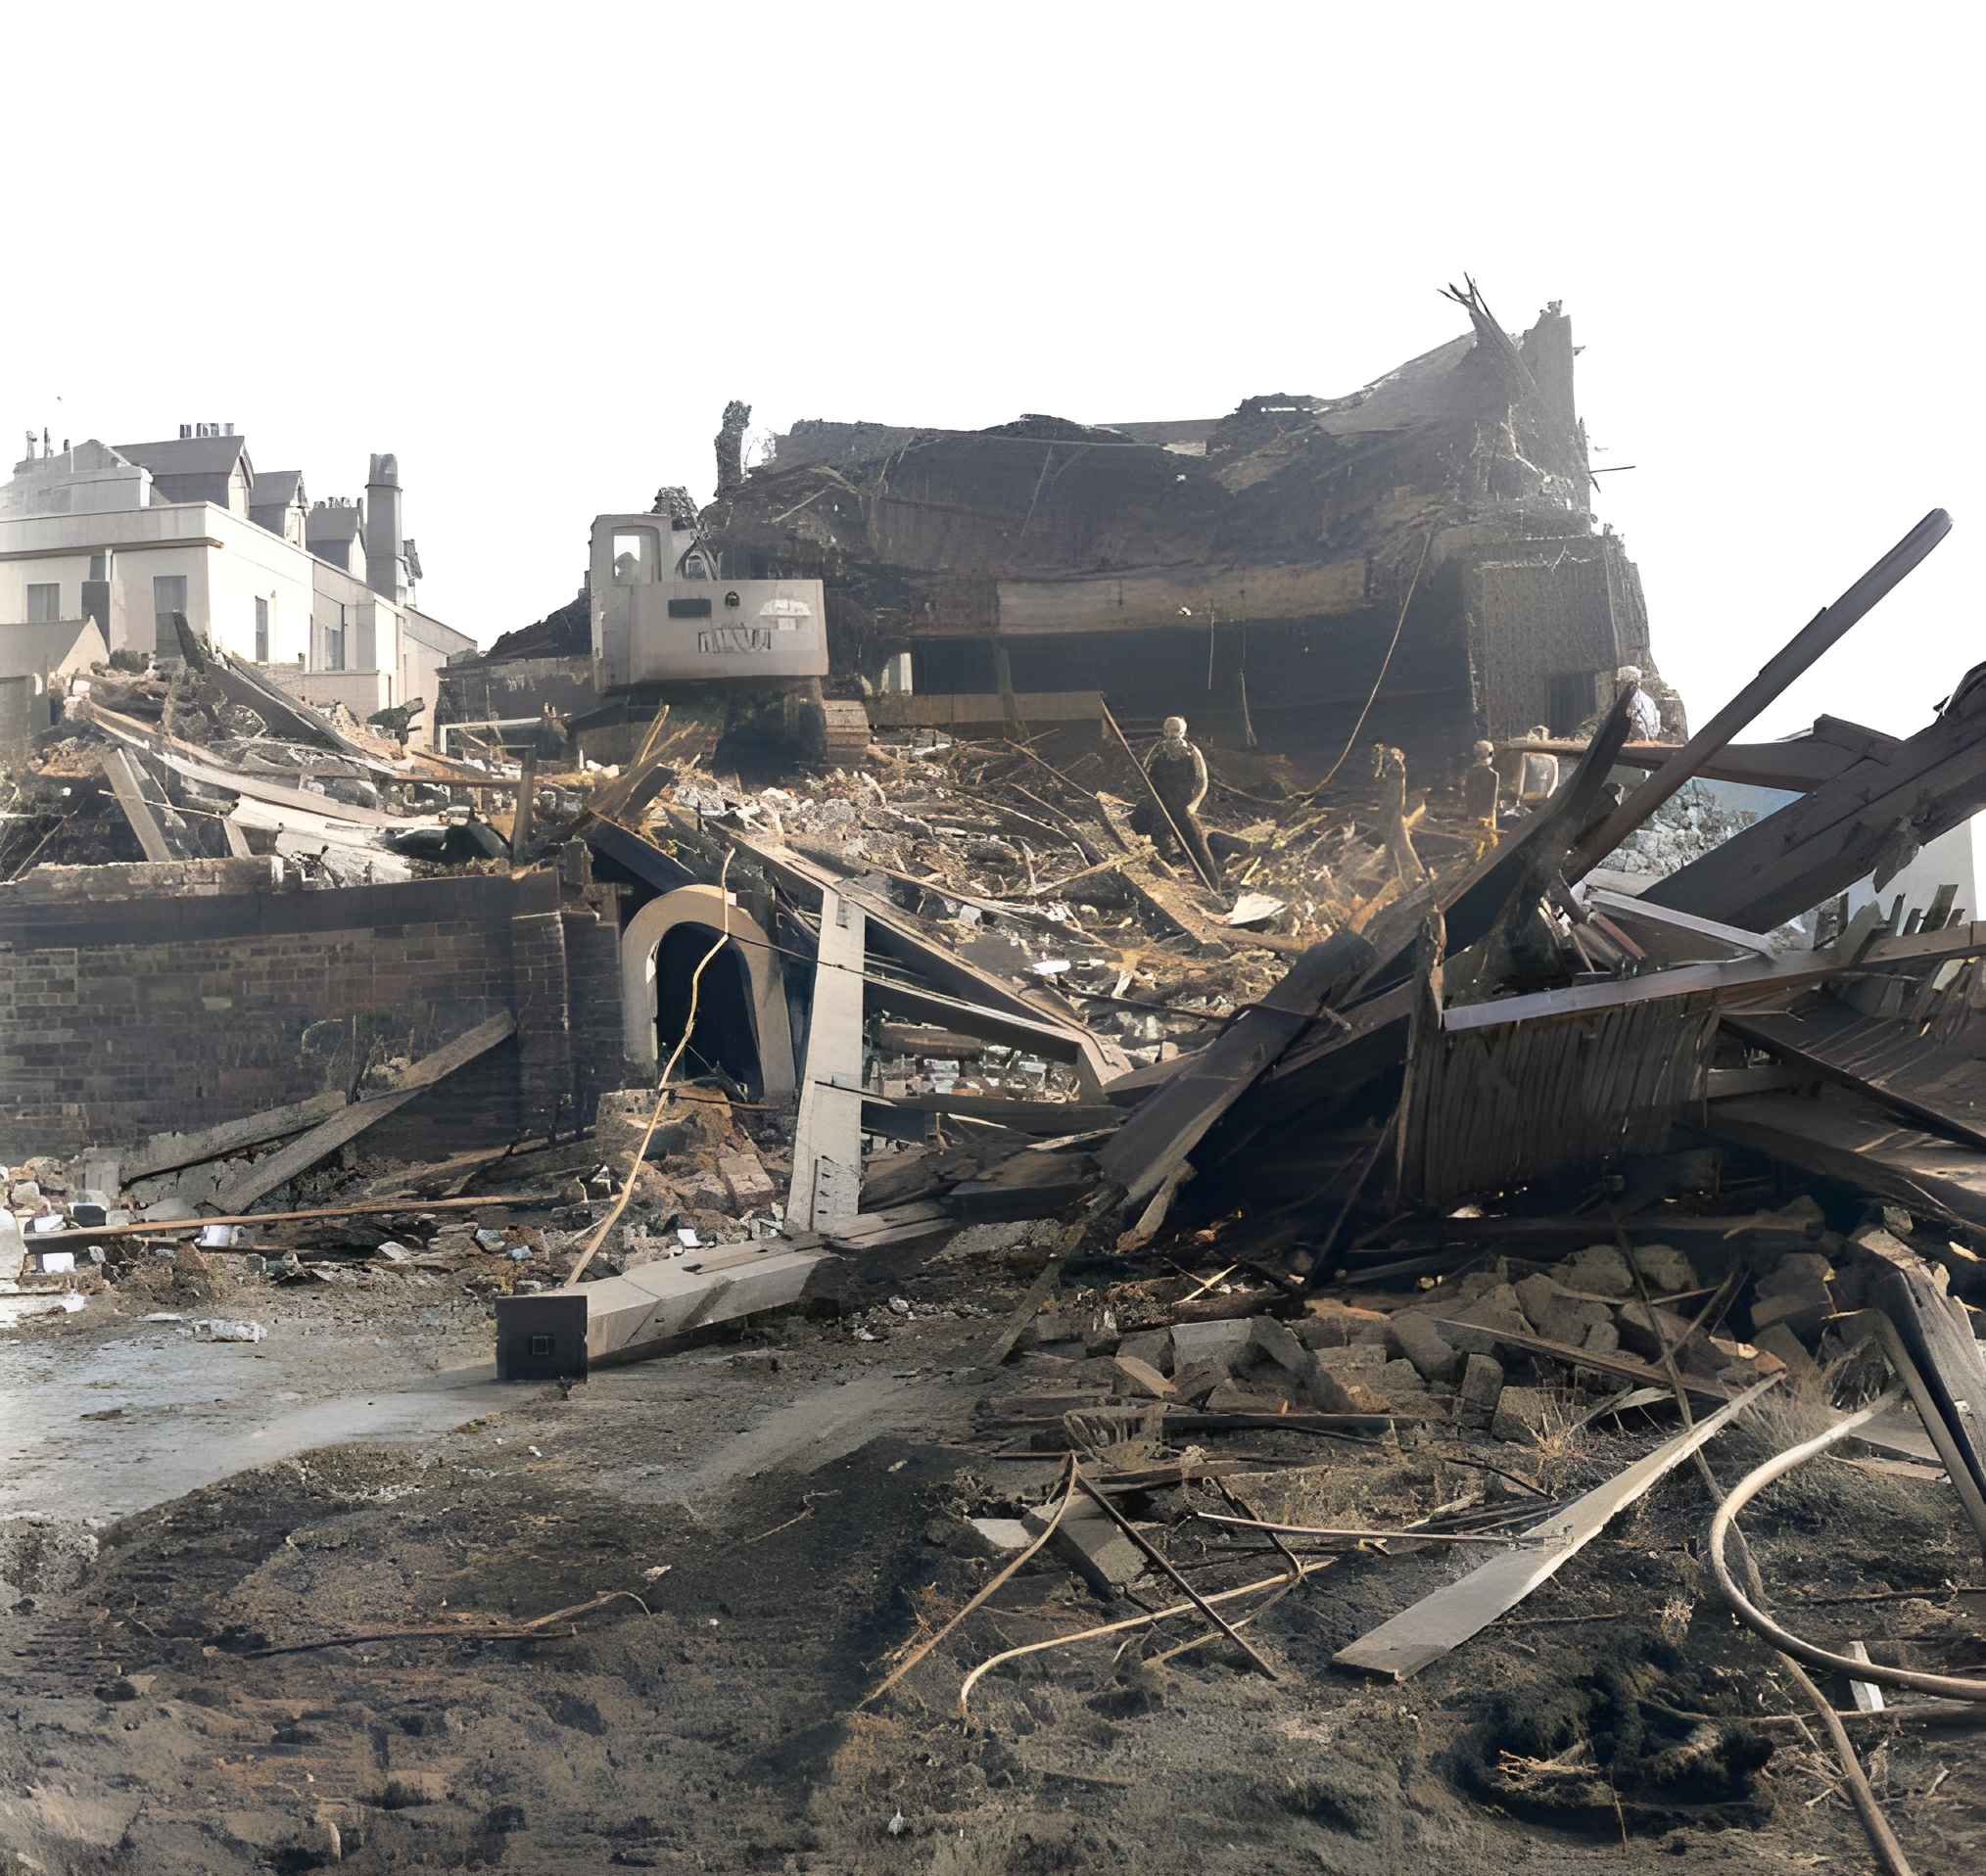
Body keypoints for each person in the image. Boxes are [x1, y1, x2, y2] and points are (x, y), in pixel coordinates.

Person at [1130, 716, 1219, 884]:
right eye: (1169, 731)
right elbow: (1145, 773)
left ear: (1183, 733)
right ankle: (1165, 877)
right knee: (1158, 840)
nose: (1172, 735)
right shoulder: (1158, 750)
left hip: (1183, 804)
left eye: (1176, 731)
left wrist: (1193, 804)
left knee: (1195, 841)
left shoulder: (1192, 752)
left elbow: (1202, 781)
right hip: (1162, 802)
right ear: (1164, 732)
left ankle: (1210, 883)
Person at [1373, 743, 1429, 881]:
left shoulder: (1396, 768)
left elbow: (1394, 792)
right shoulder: (1395, 768)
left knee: (1397, 839)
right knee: (1391, 838)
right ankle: (1394, 867)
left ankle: (1413, 871)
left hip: (1394, 806)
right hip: (1392, 805)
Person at [1618, 666, 1663, 741]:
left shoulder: (1637, 698)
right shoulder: (1638, 697)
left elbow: (1640, 719)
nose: (1618, 686)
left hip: (1643, 737)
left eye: (1621, 682)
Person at [1518, 727, 1559, 806]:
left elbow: (1554, 778)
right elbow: (1521, 775)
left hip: (1543, 792)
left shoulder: (1551, 757)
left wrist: (1548, 794)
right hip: (1528, 790)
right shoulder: (1526, 755)